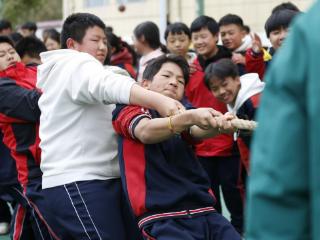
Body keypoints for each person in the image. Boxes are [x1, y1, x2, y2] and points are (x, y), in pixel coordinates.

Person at [36, 13, 184, 240]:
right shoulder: (72, 62)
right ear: (72, 44)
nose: (103, 46)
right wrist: (160, 101)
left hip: (102, 181)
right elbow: (108, 84)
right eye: (95, 40)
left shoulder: (96, 72)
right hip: (80, 181)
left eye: (105, 41)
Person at [112, 54, 241, 240]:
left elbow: (196, 131)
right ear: (145, 85)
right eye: (166, 76)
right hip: (163, 217)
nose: (174, 83)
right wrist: (191, 117)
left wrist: (220, 126)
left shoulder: (183, 111)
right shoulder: (130, 108)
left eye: (180, 81)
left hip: (206, 212)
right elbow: (145, 131)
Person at [246, 1, 320, 239]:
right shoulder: (284, 57)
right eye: (275, 32)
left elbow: (281, 171)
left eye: (287, 29)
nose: (282, 36)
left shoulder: (307, 39)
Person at [188, 15, 244, 234]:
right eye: (196, 38)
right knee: (208, 194)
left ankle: (240, 230)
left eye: (204, 36)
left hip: (230, 142)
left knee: (234, 191)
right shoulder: (190, 69)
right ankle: (217, 231)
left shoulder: (233, 62)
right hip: (202, 145)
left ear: (215, 36)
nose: (200, 42)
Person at [0, 35, 58, 239]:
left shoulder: (35, 70)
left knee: (32, 217)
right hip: (31, 169)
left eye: (11, 52)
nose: (9, 56)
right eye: (1, 55)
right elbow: (36, 105)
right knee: (47, 225)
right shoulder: (2, 87)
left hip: (57, 160)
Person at [204, 59, 264, 172]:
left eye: (224, 84)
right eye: (215, 89)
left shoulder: (255, 102)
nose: (221, 91)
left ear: (237, 79)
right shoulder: (238, 105)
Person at [245, 9, 299, 79]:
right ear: (269, 39)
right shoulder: (268, 63)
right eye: (276, 33)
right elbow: (258, 79)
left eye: (289, 31)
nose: (283, 36)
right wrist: (255, 54)